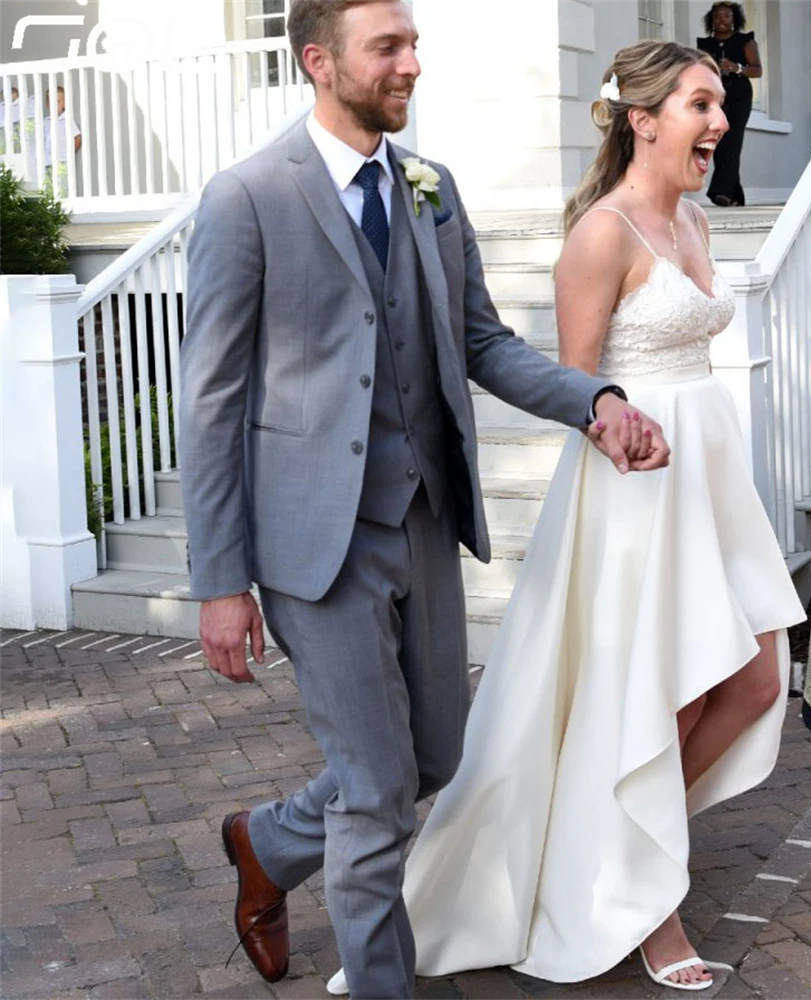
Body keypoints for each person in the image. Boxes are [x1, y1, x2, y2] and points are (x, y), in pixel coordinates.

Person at [178, 2, 671, 998]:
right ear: (320, 62)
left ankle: (268, 844)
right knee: (372, 798)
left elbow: (480, 340)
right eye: (387, 49)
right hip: (315, 545)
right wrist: (220, 579)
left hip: (424, 518)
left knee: (432, 758)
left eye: (412, 44)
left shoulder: (428, 186)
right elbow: (212, 399)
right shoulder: (245, 199)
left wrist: (595, 402)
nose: (412, 64)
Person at [328, 39, 805, 996]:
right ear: (643, 120)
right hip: (635, 496)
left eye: (720, 105)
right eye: (702, 105)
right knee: (664, 698)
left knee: (756, 680)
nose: (720, 122)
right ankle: (646, 903)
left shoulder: (699, 225)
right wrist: (615, 423)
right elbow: (573, 389)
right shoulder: (603, 234)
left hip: (709, 482)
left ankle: (624, 848)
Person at [696, 2, 760, 206]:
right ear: (711, 20)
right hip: (715, 97)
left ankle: (720, 192)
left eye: (726, 16)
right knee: (720, 142)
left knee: (732, 140)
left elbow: (757, 70)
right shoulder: (704, 45)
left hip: (739, 95)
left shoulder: (745, 41)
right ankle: (735, 195)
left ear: (734, 19)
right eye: (717, 16)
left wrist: (737, 68)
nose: (721, 20)